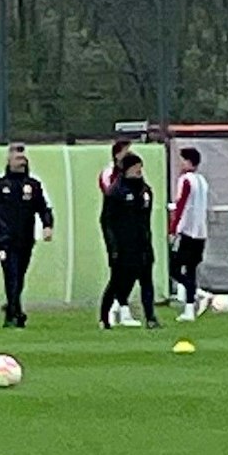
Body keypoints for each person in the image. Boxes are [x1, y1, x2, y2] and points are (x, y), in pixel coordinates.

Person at [0, 143, 53, 328]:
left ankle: (12, 310)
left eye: (22, 157)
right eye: (17, 157)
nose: (21, 160)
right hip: (5, 239)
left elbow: (43, 208)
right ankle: (14, 312)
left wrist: (48, 225)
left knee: (19, 276)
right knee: (10, 273)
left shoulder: (33, 186)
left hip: (25, 238)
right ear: (9, 161)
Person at [99, 153, 160, 330]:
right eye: (135, 167)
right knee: (118, 282)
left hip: (143, 244)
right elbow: (107, 221)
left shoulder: (145, 190)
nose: (139, 170)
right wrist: (113, 247)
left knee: (146, 281)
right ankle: (105, 317)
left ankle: (151, 318)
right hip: (124, 246)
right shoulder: (116, 192)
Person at [98, 137, 140, 325]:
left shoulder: (136, 178)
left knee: (131, 272)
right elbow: (110, 194)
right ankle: (109, 311)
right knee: (117, 274)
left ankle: (122, 307)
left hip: (132, 232)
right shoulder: (109, 175)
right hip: (117, 231)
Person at [169, 147, 211, 321]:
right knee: (191, 269)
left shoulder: (185, 180)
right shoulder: (202, 181)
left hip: (187, 231)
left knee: (174, 268)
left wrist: (173, 228)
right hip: (201, 231)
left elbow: (181, 205)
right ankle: (189, 310)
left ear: (187, 161)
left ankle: (198, 294)